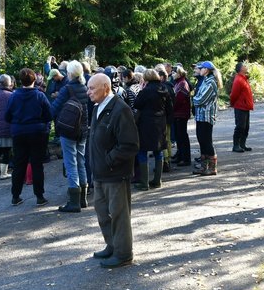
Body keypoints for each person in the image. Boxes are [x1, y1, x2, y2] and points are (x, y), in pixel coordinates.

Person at [87, 73, 139, 268]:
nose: (88, 92)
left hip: (115, 174)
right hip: (100, 173)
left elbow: (130, 145)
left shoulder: (120, 109)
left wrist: (109, 160)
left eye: (92, 88)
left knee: (119, 215)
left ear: (105, 88)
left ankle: (124, 253)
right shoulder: (97, 107)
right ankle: (112, 245)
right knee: (102, 212)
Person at [6, 68, 53, 206]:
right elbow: (49, 114)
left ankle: (15, 196)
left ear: (21, 81)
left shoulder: (14, 96)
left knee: (19, 164)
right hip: (37, 132)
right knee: (37, 164)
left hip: (19, 132)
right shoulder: (40, 96)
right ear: (34, 80)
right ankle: (39, 196)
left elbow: (7, 116)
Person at [51, 60, 90, 212]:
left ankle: (74, 202)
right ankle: (83, 199)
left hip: (69, 130)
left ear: (69, 73)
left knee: (70, 163)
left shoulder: (67, 89)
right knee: (81, 161)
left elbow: (54, 109)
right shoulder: (84, 87)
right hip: (83, 129)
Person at [132, 69, 173, 190]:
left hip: (146, 124)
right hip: (160, 123)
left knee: (142, 151)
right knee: (158, 151)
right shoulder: (164, 89)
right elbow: (170, 108)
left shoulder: (146, 91)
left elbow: (137, 104)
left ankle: (144, 183)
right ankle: (157, 180)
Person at [192, 61, 222, 176]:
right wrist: (195, 99)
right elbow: (198, 97)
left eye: (202, 68)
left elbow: (201, 99)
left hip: (206, 116)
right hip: (200, 115)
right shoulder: (205, 80)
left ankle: (212, 168)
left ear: (207, 70)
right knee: (201, 140)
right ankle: (204, 167)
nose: (200, 69)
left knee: (207, 141)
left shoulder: (211, 82)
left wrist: (193, 100)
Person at [229, 62, 254, 152]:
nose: (246, 66)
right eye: (244, 66)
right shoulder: (238, 80)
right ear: (240, 69)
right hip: (240, 107)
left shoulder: (244, 78)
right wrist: (233, 104)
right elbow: (233, 94)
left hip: (245, 106)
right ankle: (236, 145)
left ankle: (242, 144)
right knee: (240, 126)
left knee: (246, 127)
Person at [171, 66, 191, 167]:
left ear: (179, 73)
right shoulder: (178, 83)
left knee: (182, 136)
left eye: (174, 72)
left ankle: (185, 158)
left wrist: (171, 107)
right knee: (179, 136)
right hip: (177, 113)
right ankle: (180, 155)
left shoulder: (183, 83)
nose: (172, 74)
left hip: (181, 114)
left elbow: (179, 100)